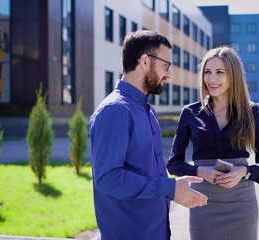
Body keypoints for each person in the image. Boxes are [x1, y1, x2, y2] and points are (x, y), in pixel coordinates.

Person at [88, 30, 208, 240]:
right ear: (144, 61)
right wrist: (170, 188)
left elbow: (146, 172)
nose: (169, 73)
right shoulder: (114, 111)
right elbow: (108, 178)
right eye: (166, 65)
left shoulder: (147, 110)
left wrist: (173, 187)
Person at [167, 46, 259, 240]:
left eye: (219, 73)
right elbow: (174, 164)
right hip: (202, 204)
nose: (211, 79)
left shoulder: (252, 113)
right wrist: (199, 171)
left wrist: (244, 171)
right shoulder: (190, 113)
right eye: (207, 72)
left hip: (242, 205)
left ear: (233, 76)